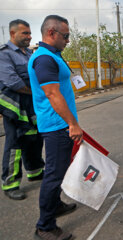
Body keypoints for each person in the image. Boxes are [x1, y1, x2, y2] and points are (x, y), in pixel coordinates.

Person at [28, 15, 83, 240]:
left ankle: (56, 205)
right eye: (66, 35)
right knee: (54, 174)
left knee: (60, 171)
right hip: (57, 126)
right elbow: (51, 93)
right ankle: (45, 226)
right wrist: (72, 123)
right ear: (51, 33)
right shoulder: (43, 59)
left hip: (61, 124)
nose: (68, 40)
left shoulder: (52, 55)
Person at [0, 19, 44, 200]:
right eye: (25, 33)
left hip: (31, 102)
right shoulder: (5, 54)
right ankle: (10, 183)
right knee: (15, 141)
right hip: (15, 103)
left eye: (29, 33)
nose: (29, 36)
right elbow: (13, 82)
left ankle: (34, 171)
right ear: (13, 34)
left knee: (34, 137)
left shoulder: (29, 53)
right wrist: (37, 92)